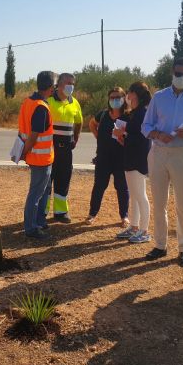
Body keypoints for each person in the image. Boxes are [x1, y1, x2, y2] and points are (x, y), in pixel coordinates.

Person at [141, 57, 183, 267]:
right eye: (178, 73)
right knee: (160, 202)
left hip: (182, 154)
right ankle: (160, 245)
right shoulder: (159, 97)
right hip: (159, 153)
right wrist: (157, 134)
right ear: (172, 72)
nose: (182, 78)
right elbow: (145, 125)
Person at [19, 71, 57, 240]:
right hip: (40, 159)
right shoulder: (41, 107)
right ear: (50, 87)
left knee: (39, 192)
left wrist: (24, 152)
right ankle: (31, 228)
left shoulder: (29, 102)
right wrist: (25, 151)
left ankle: (37, 222)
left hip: (37, 158)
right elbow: (34, 136)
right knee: (36, 194)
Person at [113, 82, 152, 243]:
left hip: (138, 159)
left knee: (140, 195)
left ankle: (144, 231)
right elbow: (132, 136)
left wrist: (124, 133)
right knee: (135, 195)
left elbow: (143, 138)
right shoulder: (135, 112)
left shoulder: (142, 113)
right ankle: (135, 227)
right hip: (131, 157)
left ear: (135, 94)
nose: (127, 96)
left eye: (129, 92)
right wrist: (123, 136)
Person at [86, 87, 129, 227]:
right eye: (112, 97)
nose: (115, 100)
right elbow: (92, 123)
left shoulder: (128, 116)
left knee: (122, 187)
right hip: (103, 157)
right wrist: (98, 136)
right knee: (99, 186)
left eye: (118, 97)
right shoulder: (103, 114)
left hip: (121, 158)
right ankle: (92, 214)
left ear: (124, 98)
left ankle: (124, 216)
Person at [47, 73, 83, 223]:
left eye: (73, 84)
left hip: (66, 148)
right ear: (59, 84)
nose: (71, 86)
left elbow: (79, 122)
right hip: (49, 147)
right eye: (68, 83)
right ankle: (42, 212)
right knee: (47, 180)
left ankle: (61, 212)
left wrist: (75, 138)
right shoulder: (48, 101)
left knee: (64, 179)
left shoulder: (74, 102)